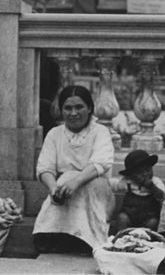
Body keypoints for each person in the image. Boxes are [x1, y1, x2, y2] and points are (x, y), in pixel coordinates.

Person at [33, 85, 116, 254]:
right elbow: (44, 167)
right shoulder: (54, 134)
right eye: (68, 108)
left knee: (71, 179)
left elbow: (101, 163)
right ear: (61, 110)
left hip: (96, 188)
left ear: (90, 108)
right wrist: (53, 188)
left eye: (79, 107)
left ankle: (87, 239)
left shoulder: (100, 132)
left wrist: (75, 181)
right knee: (62, 181)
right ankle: (53, 234)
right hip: (64, 189)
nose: (73, 113)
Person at [109, 149, 165, 232]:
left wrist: (151, 186)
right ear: (131, 174)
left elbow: (162, 195)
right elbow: (112, 184)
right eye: (140, 172)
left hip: (149, 216)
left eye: (148, 170)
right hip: (129, 215)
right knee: (122, 218)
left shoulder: (155, 181)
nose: (145, 174)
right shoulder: (127, 182)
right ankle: (121, 238)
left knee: (153, 223)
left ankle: (148, 241)